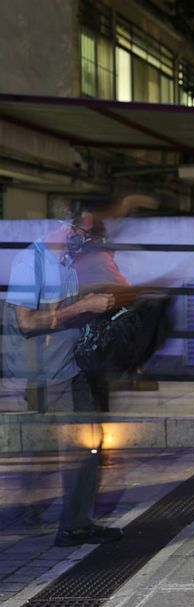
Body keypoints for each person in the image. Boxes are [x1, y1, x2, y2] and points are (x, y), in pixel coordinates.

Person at [1, 216, 122, 547]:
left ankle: (73, 523)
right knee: (68, 449)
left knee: (87, 445)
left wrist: (94, 309)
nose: (86, 239)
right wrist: (83, 305)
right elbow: (25, 323)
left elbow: (62, 312)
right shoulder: (31, 263)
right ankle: (57, 521)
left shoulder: (66, 262)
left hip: (69, 368)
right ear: (65, 226)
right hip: (44, 374)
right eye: (83, 232)